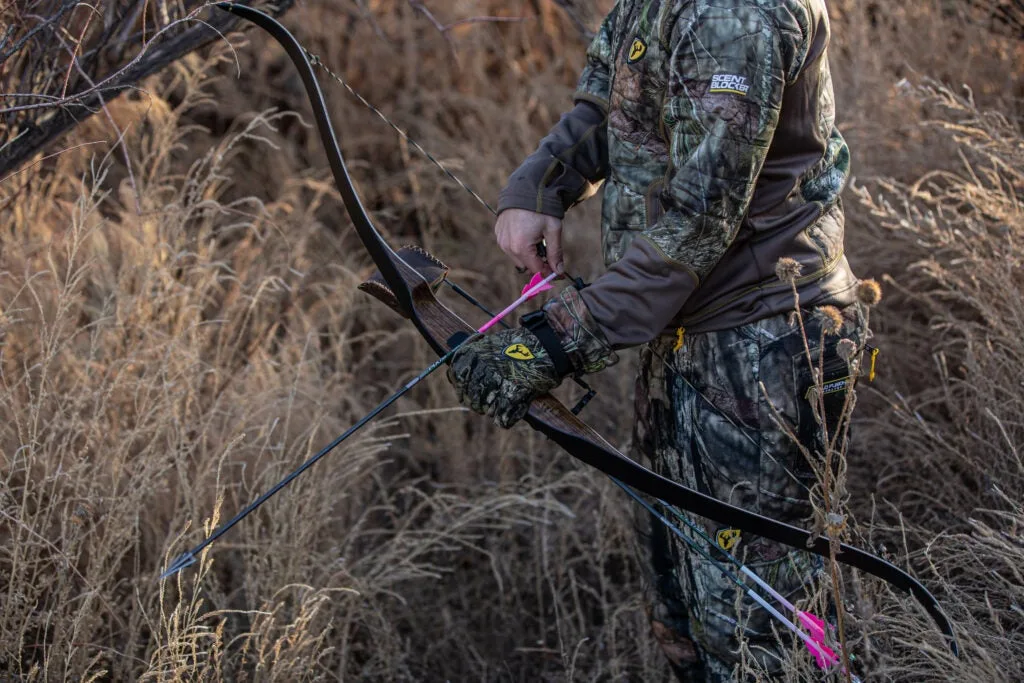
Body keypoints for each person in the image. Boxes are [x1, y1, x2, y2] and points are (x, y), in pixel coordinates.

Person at [447, 0, 869, 679]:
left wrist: (558, 341)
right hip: (684, 336)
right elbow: (617, 101)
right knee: (685, 625)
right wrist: (542, 183)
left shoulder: (740, 17)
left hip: (759, 350)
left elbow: (700, 219)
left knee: (760, 642)